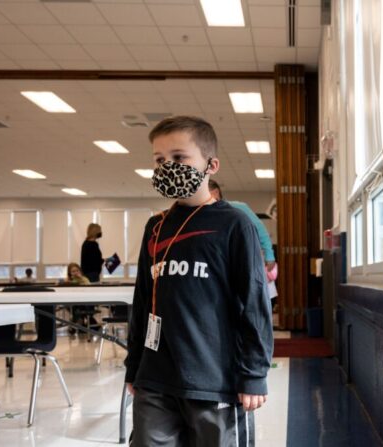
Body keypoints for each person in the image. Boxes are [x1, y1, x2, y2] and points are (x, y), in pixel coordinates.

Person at [125, 115, 273, 446]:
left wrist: (254, 373)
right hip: (155, 378)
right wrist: (134, 365)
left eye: (179, 158)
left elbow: (254, 303)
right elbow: (143, 299)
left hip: (214, 379)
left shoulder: (234, 224)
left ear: (211, 165)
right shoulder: (156, 226)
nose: (167, 167)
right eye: (159, 160)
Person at [208, 179, 279, 307]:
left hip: (243, 262)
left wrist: (269, 255)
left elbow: (261, 230)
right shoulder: (202, 215)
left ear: (215, 193)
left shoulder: (238, 208)